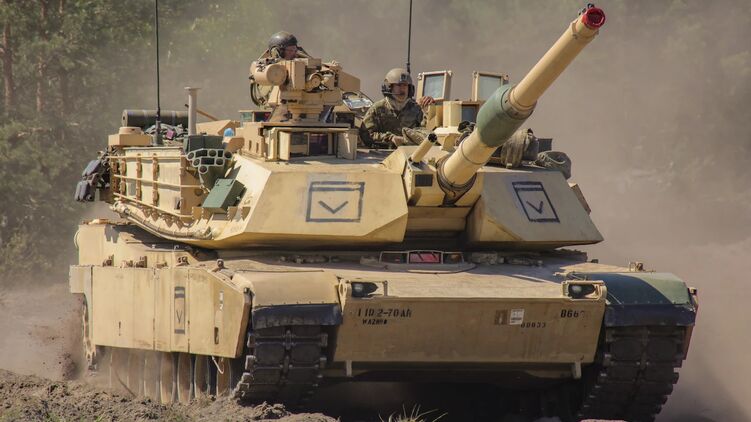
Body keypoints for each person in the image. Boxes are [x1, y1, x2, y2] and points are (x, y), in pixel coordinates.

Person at [360, 68, 434, 148]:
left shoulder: (416, 109)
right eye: (398, 85)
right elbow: (366, 134)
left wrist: (430, 109)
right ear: (389, 87)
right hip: (383, 152)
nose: (403, 89)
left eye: (405, 85)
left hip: (409, 151)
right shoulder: (377, 108)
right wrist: (390, 138)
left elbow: (427, 133)